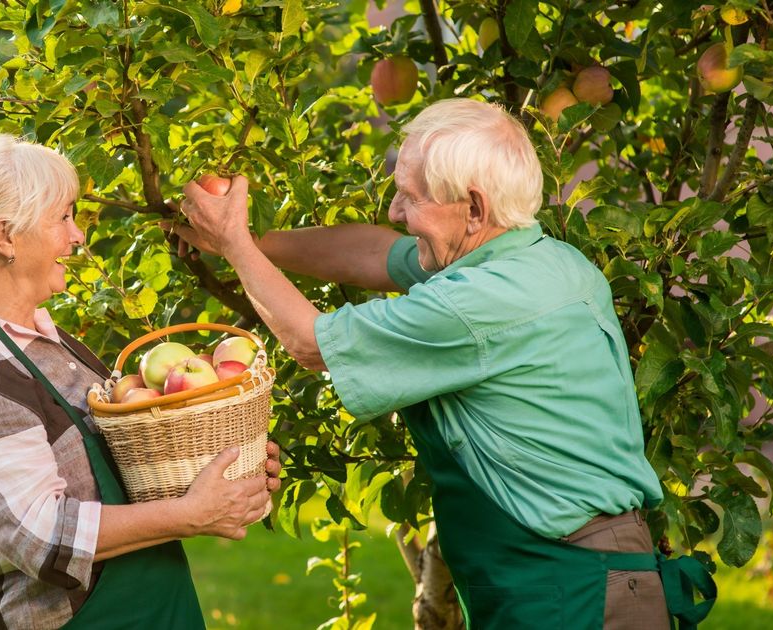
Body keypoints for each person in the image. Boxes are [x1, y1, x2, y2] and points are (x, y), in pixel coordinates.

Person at [175, 98, 713, 628]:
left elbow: (310, 344)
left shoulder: (477, 304)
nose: (395, 211)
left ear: (474, 208)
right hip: (565, 571)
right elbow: (372, 253)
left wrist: (236, 243)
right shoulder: (535, 260)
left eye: (411, 197)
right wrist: (245, 242)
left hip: (569, 584)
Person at [0, 134, 280, 629]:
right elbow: (44, 536)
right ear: (5, 237)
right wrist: (192, 512)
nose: (77, 236)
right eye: (62, 218)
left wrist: (227, 468)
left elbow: (123, 474)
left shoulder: (43, 341)